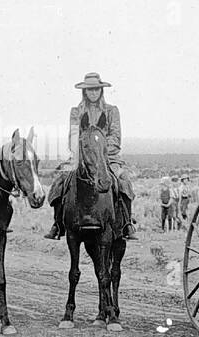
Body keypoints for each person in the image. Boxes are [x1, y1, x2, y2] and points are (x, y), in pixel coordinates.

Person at [44, 72, 137, 239]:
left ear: (101, 91)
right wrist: (85, 152)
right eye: (90, 90)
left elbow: (116, 137)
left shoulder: (111, 111)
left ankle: (126, 224)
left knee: (123, 181)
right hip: (81, 157)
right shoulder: (76, 112)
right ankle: (58, 224)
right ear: (84, 92)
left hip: (107, 157)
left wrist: (99, 151)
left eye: (96, 89)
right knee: (59, 181)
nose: (93, 92)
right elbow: (73, 136)